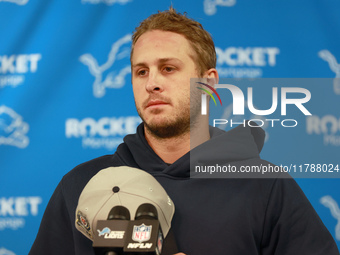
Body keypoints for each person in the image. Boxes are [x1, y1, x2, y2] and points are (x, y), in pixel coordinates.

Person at [29, 7, 339, 255]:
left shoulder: (266, 186)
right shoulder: (82, 185)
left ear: (209, 83)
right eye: (141, 71)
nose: (152, 83)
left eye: (168, 68)